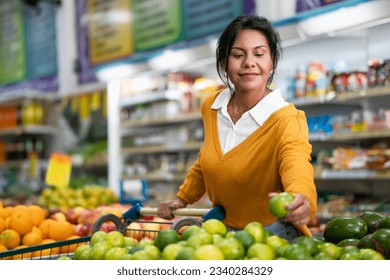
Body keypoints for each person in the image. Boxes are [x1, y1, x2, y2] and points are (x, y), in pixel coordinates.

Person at [157, 15, 317, 241]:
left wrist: (301, 197)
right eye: (238, 55)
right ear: (224, 63)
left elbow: (297, 163)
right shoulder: (211, 107)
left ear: (271, 63)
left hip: (273, 236)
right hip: (222, 233)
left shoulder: (286, 118)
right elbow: (207, 162)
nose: (249, 63)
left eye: (259, 54)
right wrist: (182, 199)